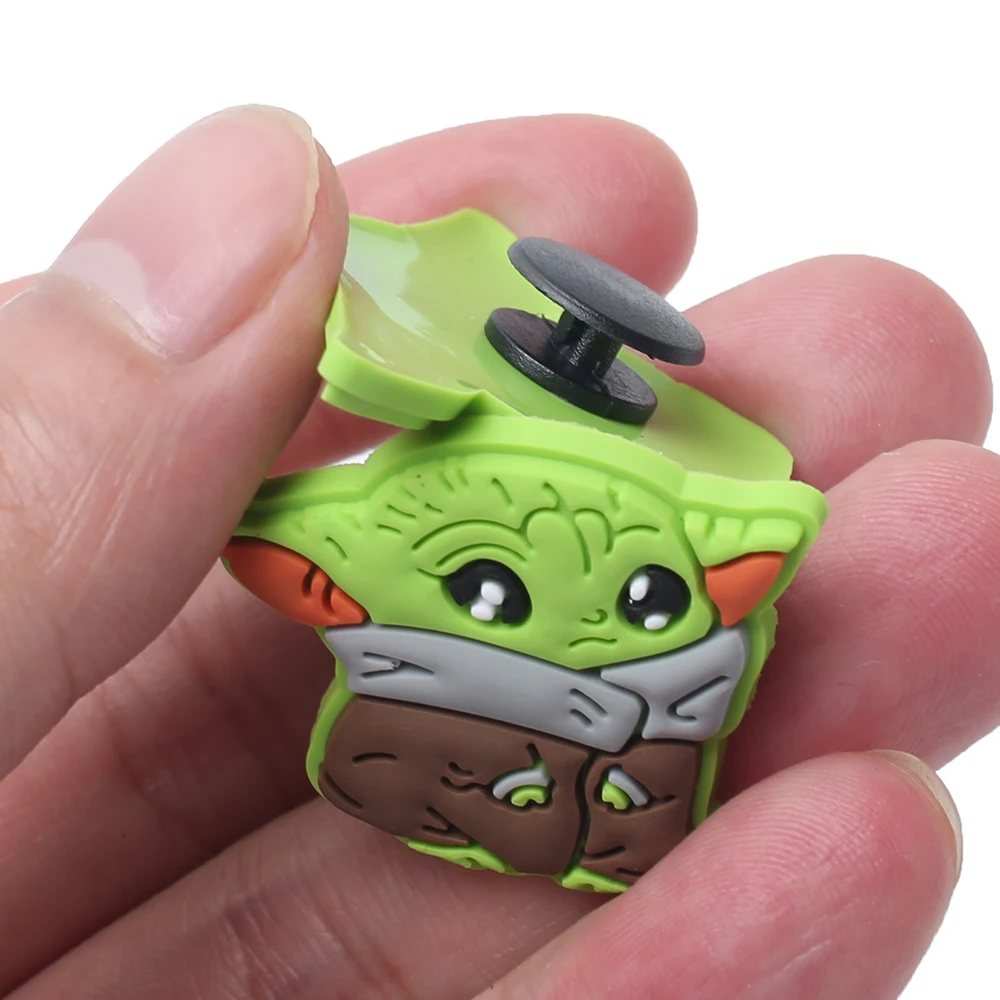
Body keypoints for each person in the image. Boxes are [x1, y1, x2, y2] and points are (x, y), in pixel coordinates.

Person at [0, 104, 989, 999]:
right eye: (486, 587)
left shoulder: (680, 670)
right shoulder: (401, 678)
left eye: (646, 598)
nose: (585, 625)